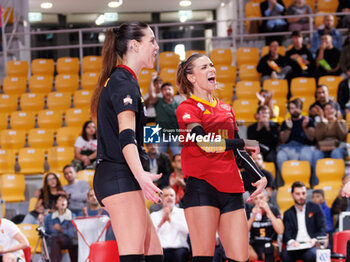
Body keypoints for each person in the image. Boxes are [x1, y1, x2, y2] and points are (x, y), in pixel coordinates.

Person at [176, 53, 267, 262]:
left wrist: (258, 176)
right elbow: (204, 143)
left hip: (232, 188)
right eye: (204, 67)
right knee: (203, 257)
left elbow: (238, 152)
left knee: (240, 257)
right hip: (202, 187)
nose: (212, 69)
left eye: (212, 65)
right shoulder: (186, 108)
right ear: (191, 77)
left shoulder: (227, 109)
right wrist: (243, 142)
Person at [90, 22, 163, 262]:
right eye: (151, 40)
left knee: (154, 254)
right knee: (134, 257)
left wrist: (192, 135)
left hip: (119, 175)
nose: (156, 46)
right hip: (118, 175)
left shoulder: (123, 81)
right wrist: (142, 175)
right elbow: (126, 136)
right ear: (134, 45)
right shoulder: (123, 81)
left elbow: (140, 134)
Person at [281, 181, 327, 262]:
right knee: (285, 255)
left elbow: (322, 228)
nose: (301, 196)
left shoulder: (316, 208)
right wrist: (292, 242)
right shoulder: (288, 213)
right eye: (298, 194)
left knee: (310, 256)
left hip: (312, 245)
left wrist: (315, 240)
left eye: (303, 193)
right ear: (292, 195)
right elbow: (287, 233)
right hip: (295, 246)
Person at [276, 98, 315, 185]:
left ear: (301, 108)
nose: (294, 110)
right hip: (288, 147)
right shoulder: (286, 122)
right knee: (280, 156)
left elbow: (312, 138)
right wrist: (289, 128)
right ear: (289, 110)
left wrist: (305, 127)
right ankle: (286, 183)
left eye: (296, 107)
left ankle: (305, 183)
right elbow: (283, 140)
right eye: (292, 108)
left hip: (305, 146)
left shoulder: (308, 120)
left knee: (305, 156)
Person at [150, 187, 189, 262]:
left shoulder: (183, 213)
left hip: (179, 249)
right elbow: (150, 235)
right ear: (161, 199)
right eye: (166, 195)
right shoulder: (154, 215)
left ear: (175, 198)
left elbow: (187, 230)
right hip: (161, 250)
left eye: (171, 195)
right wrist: (161, 222)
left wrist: (170, 220)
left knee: (179, 256)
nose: (169, 197)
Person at [247, 190, 284, 262]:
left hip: (270, 243)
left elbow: (280, 230)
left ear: (267, 198)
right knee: (242, 249)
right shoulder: (250, 210)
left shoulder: (274, 210)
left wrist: (268, 211)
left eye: (261, 198)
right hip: (255, 244)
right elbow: (243, 232)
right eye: (256, 199)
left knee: (268, 248)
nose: (258, 201)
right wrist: (252, 217)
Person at [312, 102, 348, 172]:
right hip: (324, 148)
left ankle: (339, 178)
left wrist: (337, 121)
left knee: (336, 152)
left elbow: (342, 137)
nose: (329, 111)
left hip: (338, 147)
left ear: (336, 111)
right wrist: (324, 124)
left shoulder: (342, 122)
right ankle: (316, 181)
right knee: (316, 154)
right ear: (324, 112)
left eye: (331, 108)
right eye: (326, 109)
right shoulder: (321, 123)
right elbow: (318, 138)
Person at [149, 81, 181, 155]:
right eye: (165, 89)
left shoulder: (178, 104)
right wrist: (152, 79)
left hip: (175, 135)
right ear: (161, 92)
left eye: (169, 89)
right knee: (158, 156)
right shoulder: (158, 102)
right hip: (161, 135)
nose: (167, 91)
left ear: (173, 91)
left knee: (178, 155)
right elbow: (151, 95)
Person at [44, 194, 78, 262]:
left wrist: (61, 229)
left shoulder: (73, 216)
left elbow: (73, 232)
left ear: (67, 203)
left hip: (68, 240)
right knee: (54, 241)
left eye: (64, 200)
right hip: (55, 240)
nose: (62, 201)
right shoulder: (49, 217)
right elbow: (46, 231)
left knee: (75, 242)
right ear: (56, 204)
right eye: (60, 200)